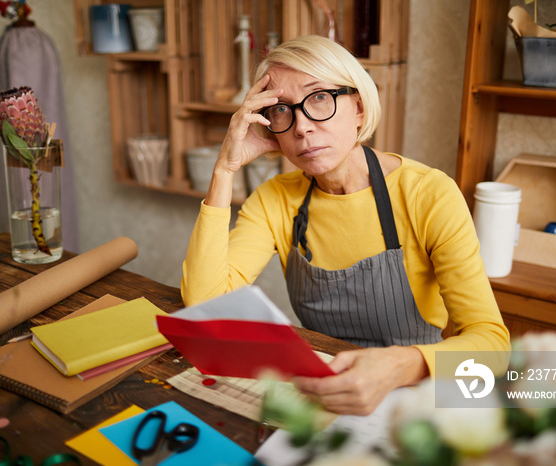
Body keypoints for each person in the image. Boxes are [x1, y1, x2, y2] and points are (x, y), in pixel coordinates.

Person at [181, 35, 510, 415]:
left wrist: (400, 365)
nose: (302, 126)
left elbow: (493, 346)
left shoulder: (428, 194)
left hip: (412, 393)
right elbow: (204, 302)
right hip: (323, 393)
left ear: (358, 107)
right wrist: (225, 169)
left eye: (319, 97)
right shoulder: (275, 198)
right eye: (281, 110)